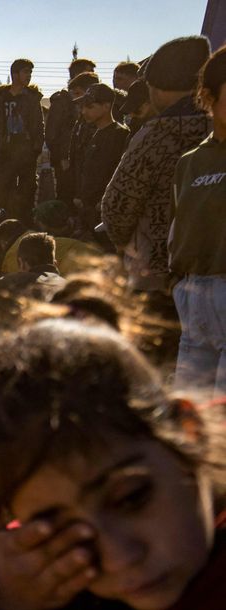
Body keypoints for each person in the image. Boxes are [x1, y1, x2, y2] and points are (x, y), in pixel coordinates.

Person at [0, 319, 225, 610]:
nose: (119, 558)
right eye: (63, 531)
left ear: (188, 433)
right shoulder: (47, 602)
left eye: (131, 497)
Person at [102, 35, 212, 293]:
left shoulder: (157, 136)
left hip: (159, 271)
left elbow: (117, 206)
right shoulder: (217, 129)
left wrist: (123, 244)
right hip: (213, 272)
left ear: (159, 87)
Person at [169, 45, 226, 399]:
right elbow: (179, 229)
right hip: (194, 298)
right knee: (190, 424)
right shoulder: (190, 162)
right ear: (208, 97)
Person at [0, 232, 66, 344]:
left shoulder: (12, 282)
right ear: (55, 263)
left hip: (25, 353)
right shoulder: (69, 286)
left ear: (21, 262)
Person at [0, 58, 45, 221]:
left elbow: (39, 126)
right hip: (5, 149)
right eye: (26, 72)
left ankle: (25, 222)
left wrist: (35, 149)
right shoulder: (0, 98)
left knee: (27, 189)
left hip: (26, 149)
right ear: (15, 74)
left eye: (30, 72)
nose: (29, 76)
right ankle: (4, 221)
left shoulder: (32, 98)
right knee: (4, 188)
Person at [72, 83, 130, 237]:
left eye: (90, 107)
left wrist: (105, 201)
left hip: (104, 210)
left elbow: (118, 172)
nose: (84, 112)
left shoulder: (119, 135)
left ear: (106, 106)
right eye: (83, 107)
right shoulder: (96, 133)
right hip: (88, 208)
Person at [1, 200, 103, 276]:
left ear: (49, 224)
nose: (37, 225)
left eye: (39, 222)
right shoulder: (77, 230)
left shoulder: (81, 240)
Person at [46, 58, 97, 203]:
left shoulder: (93, 100)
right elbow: (51, 134)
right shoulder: (62, 101)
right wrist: (63, 156)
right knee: (66, 196)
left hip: (84, 159)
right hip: (66, 162)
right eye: (89, 72)